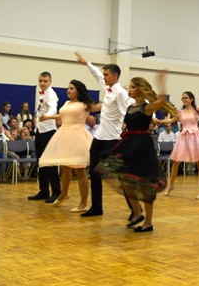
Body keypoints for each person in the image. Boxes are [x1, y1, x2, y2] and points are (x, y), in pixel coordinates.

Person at [97, 73, 177, 232]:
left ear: (140, 89)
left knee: (145, 184)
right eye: (130, 87)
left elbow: (162, 101)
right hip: (129, 144)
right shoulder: (130, 107)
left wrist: (161, 82)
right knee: (123, 178)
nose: (130, 89)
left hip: (142, 146)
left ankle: (148, 222)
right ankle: (137, 212)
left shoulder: (146, 108)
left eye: (133, 87)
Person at [75, 52, 133, 218]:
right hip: (99, 138)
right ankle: (96, 207)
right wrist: (87, 63)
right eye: (104, 74)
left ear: (115, 76)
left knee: (120, 175)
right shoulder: (108, 88)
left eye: (107, 74)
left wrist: (127, 130)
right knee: (94, 172)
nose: (104, 77)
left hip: (113, 139)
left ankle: (135, 210)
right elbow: (97, 75)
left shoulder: (120, 93)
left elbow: (126, 112)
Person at [37, 80, 100, 212]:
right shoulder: (66, 103)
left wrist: (117, 95)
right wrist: (47, 117)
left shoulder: (85, 104)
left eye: (72, 88)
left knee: (79, 170)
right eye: (68, 88)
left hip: (77, 137)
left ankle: (83, 203)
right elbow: (62, 115)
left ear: (78, 91)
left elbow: (102, 106)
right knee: (64, 167)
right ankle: (64, 193)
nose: (68, 90)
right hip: (64, 135)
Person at [160, 91, 199, 200]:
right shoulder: (180, 112)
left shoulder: (197, 109)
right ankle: (170, 185)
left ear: (191, 99)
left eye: (186, 97)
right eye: (183, 98)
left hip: (195, 137)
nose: (184, 99)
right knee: (176, 162)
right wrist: (159, 121)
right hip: (184, 137)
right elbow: (171, 120)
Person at [27, 72, 62, 203]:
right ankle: (44, 191)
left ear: (50, 82)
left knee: (51, 163)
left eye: (45, 81)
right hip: (40, 131)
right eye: (40, 80)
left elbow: (53, 108)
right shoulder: (41, 93)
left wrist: (47, 115)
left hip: (48, 131)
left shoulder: (51, 94)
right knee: (41, 162)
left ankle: (56, 192)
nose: (42, 83)